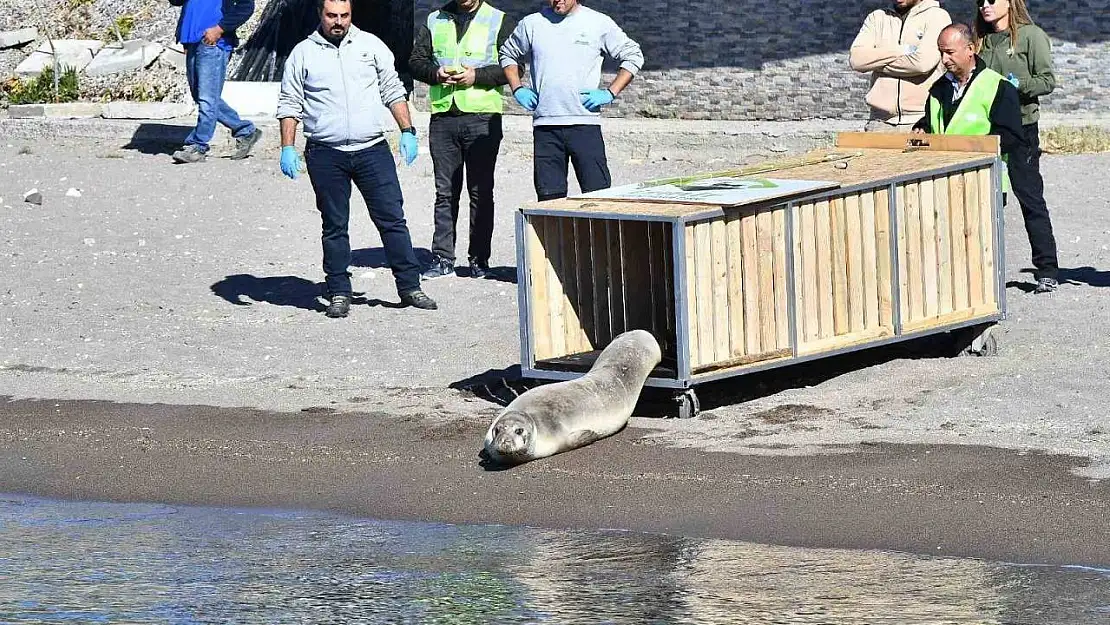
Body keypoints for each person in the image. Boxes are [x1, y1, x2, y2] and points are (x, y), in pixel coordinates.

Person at [275, 0, 437, 317]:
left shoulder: (370, 45)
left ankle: (410, 287)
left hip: (371, 150)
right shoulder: (302, 54)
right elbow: (289, 102)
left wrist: (407, 130)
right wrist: (287, 146)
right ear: (320, 15)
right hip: (325, 152)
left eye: (344, 15)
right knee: (334, 225)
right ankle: (338, 292)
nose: (339, 21)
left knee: (392, 220)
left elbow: (392, 88)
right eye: (332, 15)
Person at [913, 24, 1047, 288]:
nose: (944, 60)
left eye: (950, 52)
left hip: (984, 179)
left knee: (982, 241)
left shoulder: (997, 87)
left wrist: (973, 147)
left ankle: (987, 291)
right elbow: (934, 122)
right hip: (944, 177)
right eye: (941, 53)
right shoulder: (938, 88)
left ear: (971, 49)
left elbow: (1010, 136)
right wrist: (922, 127)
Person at [409, 0, 517, 280]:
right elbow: (415, 62)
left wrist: (477, 77)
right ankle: (443, 257)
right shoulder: (435, 19)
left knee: (481, 193)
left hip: (482, 118)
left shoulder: (498, 19)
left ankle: (479, 260)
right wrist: (435, 74)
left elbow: (514, 67)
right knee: (445, 193)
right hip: (444, 116)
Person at [499, 0, 643, 201]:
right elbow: (507, 54)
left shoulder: (598, 22)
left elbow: (634, 56)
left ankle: (596, 234)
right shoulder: (531, 24)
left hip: (584, 124)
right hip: (546, 127)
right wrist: (517, 88)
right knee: (549, 201)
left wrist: (610, 92)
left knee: (598, 197)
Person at [974, 0, 1060, 293]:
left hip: (1022, 128)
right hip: (986, 130)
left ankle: (1047, 269)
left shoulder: (1030, 35)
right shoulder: (978, 40)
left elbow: (1047, 80)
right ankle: (985, 273)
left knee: (1030, 198)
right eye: (979, 1)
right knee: (988, 201)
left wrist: (1014, 85)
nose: (984, 5)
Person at [168, 0, 263, 163]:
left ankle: (198, 146)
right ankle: (246, 131)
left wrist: (219, 29)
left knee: (207, 98)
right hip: (193, 41)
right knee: (201, 96)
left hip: (213, 43)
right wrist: (185, 35)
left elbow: (246, 7)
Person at [849, 0, 952, 133]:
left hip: (920, 121)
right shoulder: (877, 17)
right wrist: (902, 50)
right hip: (879, 122)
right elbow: (856, 60)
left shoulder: (937, 16)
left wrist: (876, 63)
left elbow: (921, 64)